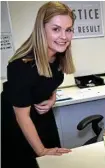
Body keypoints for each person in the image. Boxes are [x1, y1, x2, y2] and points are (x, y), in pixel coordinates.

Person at [1, 2, 76, 168]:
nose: (64, 36)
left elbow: (51, 81)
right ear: (41, 29)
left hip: (42, 118)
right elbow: (21, 116)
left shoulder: (57, 56)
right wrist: (41, 151)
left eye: (68, 29)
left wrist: (52, 98)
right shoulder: (21, 66)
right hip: (19, 123)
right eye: (56, 29)